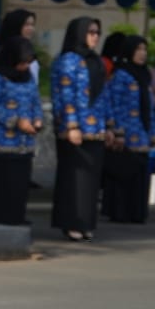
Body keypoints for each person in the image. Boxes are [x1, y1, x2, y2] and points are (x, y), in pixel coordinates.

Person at [50, 17, 108, 241]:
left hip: (96, 128)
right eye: (90, 32)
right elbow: (65, 96)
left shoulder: (96, 61)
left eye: (97, 32)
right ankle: (70, 222)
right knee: (73, 178)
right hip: (74, 129)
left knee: (90, 181)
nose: (95, 36)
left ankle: (85, 222)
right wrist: (72, 124)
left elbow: (103, 94)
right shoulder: (68, 61)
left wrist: (109, 125)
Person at [0, 36, 42, 227]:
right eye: (22, 62)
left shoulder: (28, 77)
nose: (24, 67)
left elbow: (35, 100)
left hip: (24, 143)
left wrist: (38, 119)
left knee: (19, 184)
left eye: (27, 63)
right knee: (2, 184)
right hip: (2, 142)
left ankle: (16, 218)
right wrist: (16, 121)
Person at [101, 35, 155, 224]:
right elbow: (114, 104)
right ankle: (120, 211)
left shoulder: (144, 75)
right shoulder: (121, 75)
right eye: (138, 49)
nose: (142, 54)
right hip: (125, 132)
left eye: (144, 49)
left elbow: (149, 106)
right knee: (124, 171)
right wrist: (117, 131)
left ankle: (137, 211)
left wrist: (153, 132)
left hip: (142, 131)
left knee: (140, 171)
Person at [0, 9, 40, 86]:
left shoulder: (29, 50)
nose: (31, 29)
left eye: (32, 25)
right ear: (16, 25)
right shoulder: (4, 52)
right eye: (26, 25)